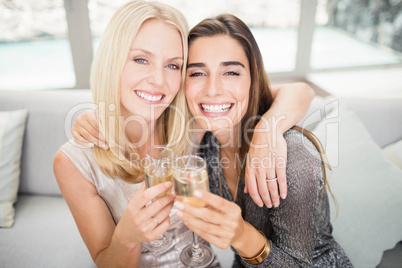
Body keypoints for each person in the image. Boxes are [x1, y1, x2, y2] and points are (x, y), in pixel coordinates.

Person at [173, 14, 353, 267]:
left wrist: (241, 236)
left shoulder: (293, 157)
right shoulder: (205, 144)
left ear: (252, 80)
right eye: (198, 72)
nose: (212, 89)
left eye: (231, 72)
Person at [53, 1, 218, 267]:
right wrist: (128, 237)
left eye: (173, 66)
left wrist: (267, 137)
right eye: (141, 59)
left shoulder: (193, 121)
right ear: (112, 61)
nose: (158, 80)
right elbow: (106, 261)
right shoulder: (72, 162)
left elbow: (292, 92)